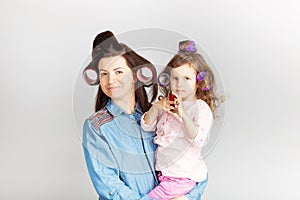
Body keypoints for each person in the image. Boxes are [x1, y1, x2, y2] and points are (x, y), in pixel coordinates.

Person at [82, 31, 207, 200]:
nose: (110, 80)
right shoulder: (97, 127)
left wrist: (188, 197)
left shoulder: (160, 117)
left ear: (135, 76)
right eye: (104, 73)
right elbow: (109, 186)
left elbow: (190, 162)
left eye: (118, 72)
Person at [142, 40, 223, 199]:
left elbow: (199, 138)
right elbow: (146, 127)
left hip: (182, 177)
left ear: (198, 83)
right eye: (175, 78)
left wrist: (182, 114)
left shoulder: (200, 108)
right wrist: (156, 108)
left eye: (187, 78)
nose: (179, 84)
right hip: (165, 174)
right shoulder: (166, 104)